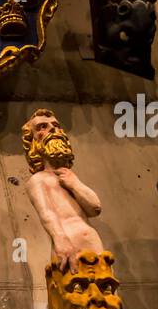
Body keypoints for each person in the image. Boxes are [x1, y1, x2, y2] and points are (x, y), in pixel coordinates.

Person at [21, 108, 104, 270]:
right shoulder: (38, 180)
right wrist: (60, 239)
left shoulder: (70, 178)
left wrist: (75, 184)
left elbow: (95, 207)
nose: (53, 129)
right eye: (42, 127)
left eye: (56, 125)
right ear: (34, 142)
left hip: (94, 243)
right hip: (69, 245)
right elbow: (47, 213)